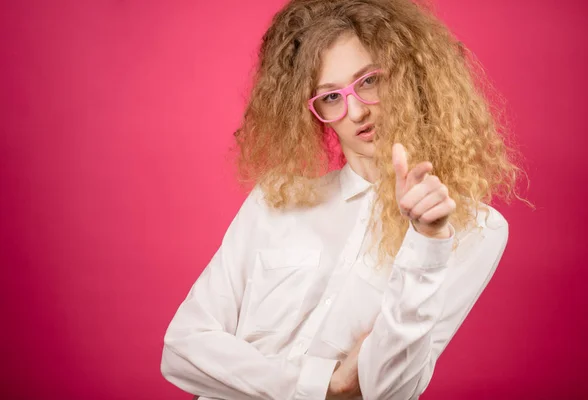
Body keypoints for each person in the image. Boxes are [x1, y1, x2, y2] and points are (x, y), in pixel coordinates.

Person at [161, 0, 525, 399]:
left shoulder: (474, 229)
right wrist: (326, 386)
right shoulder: (276, 200)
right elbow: (181, 349)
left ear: (412, 76)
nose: (355, 112)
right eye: (331, 97)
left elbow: (389, 388)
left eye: (368, 81)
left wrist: (426, 242)